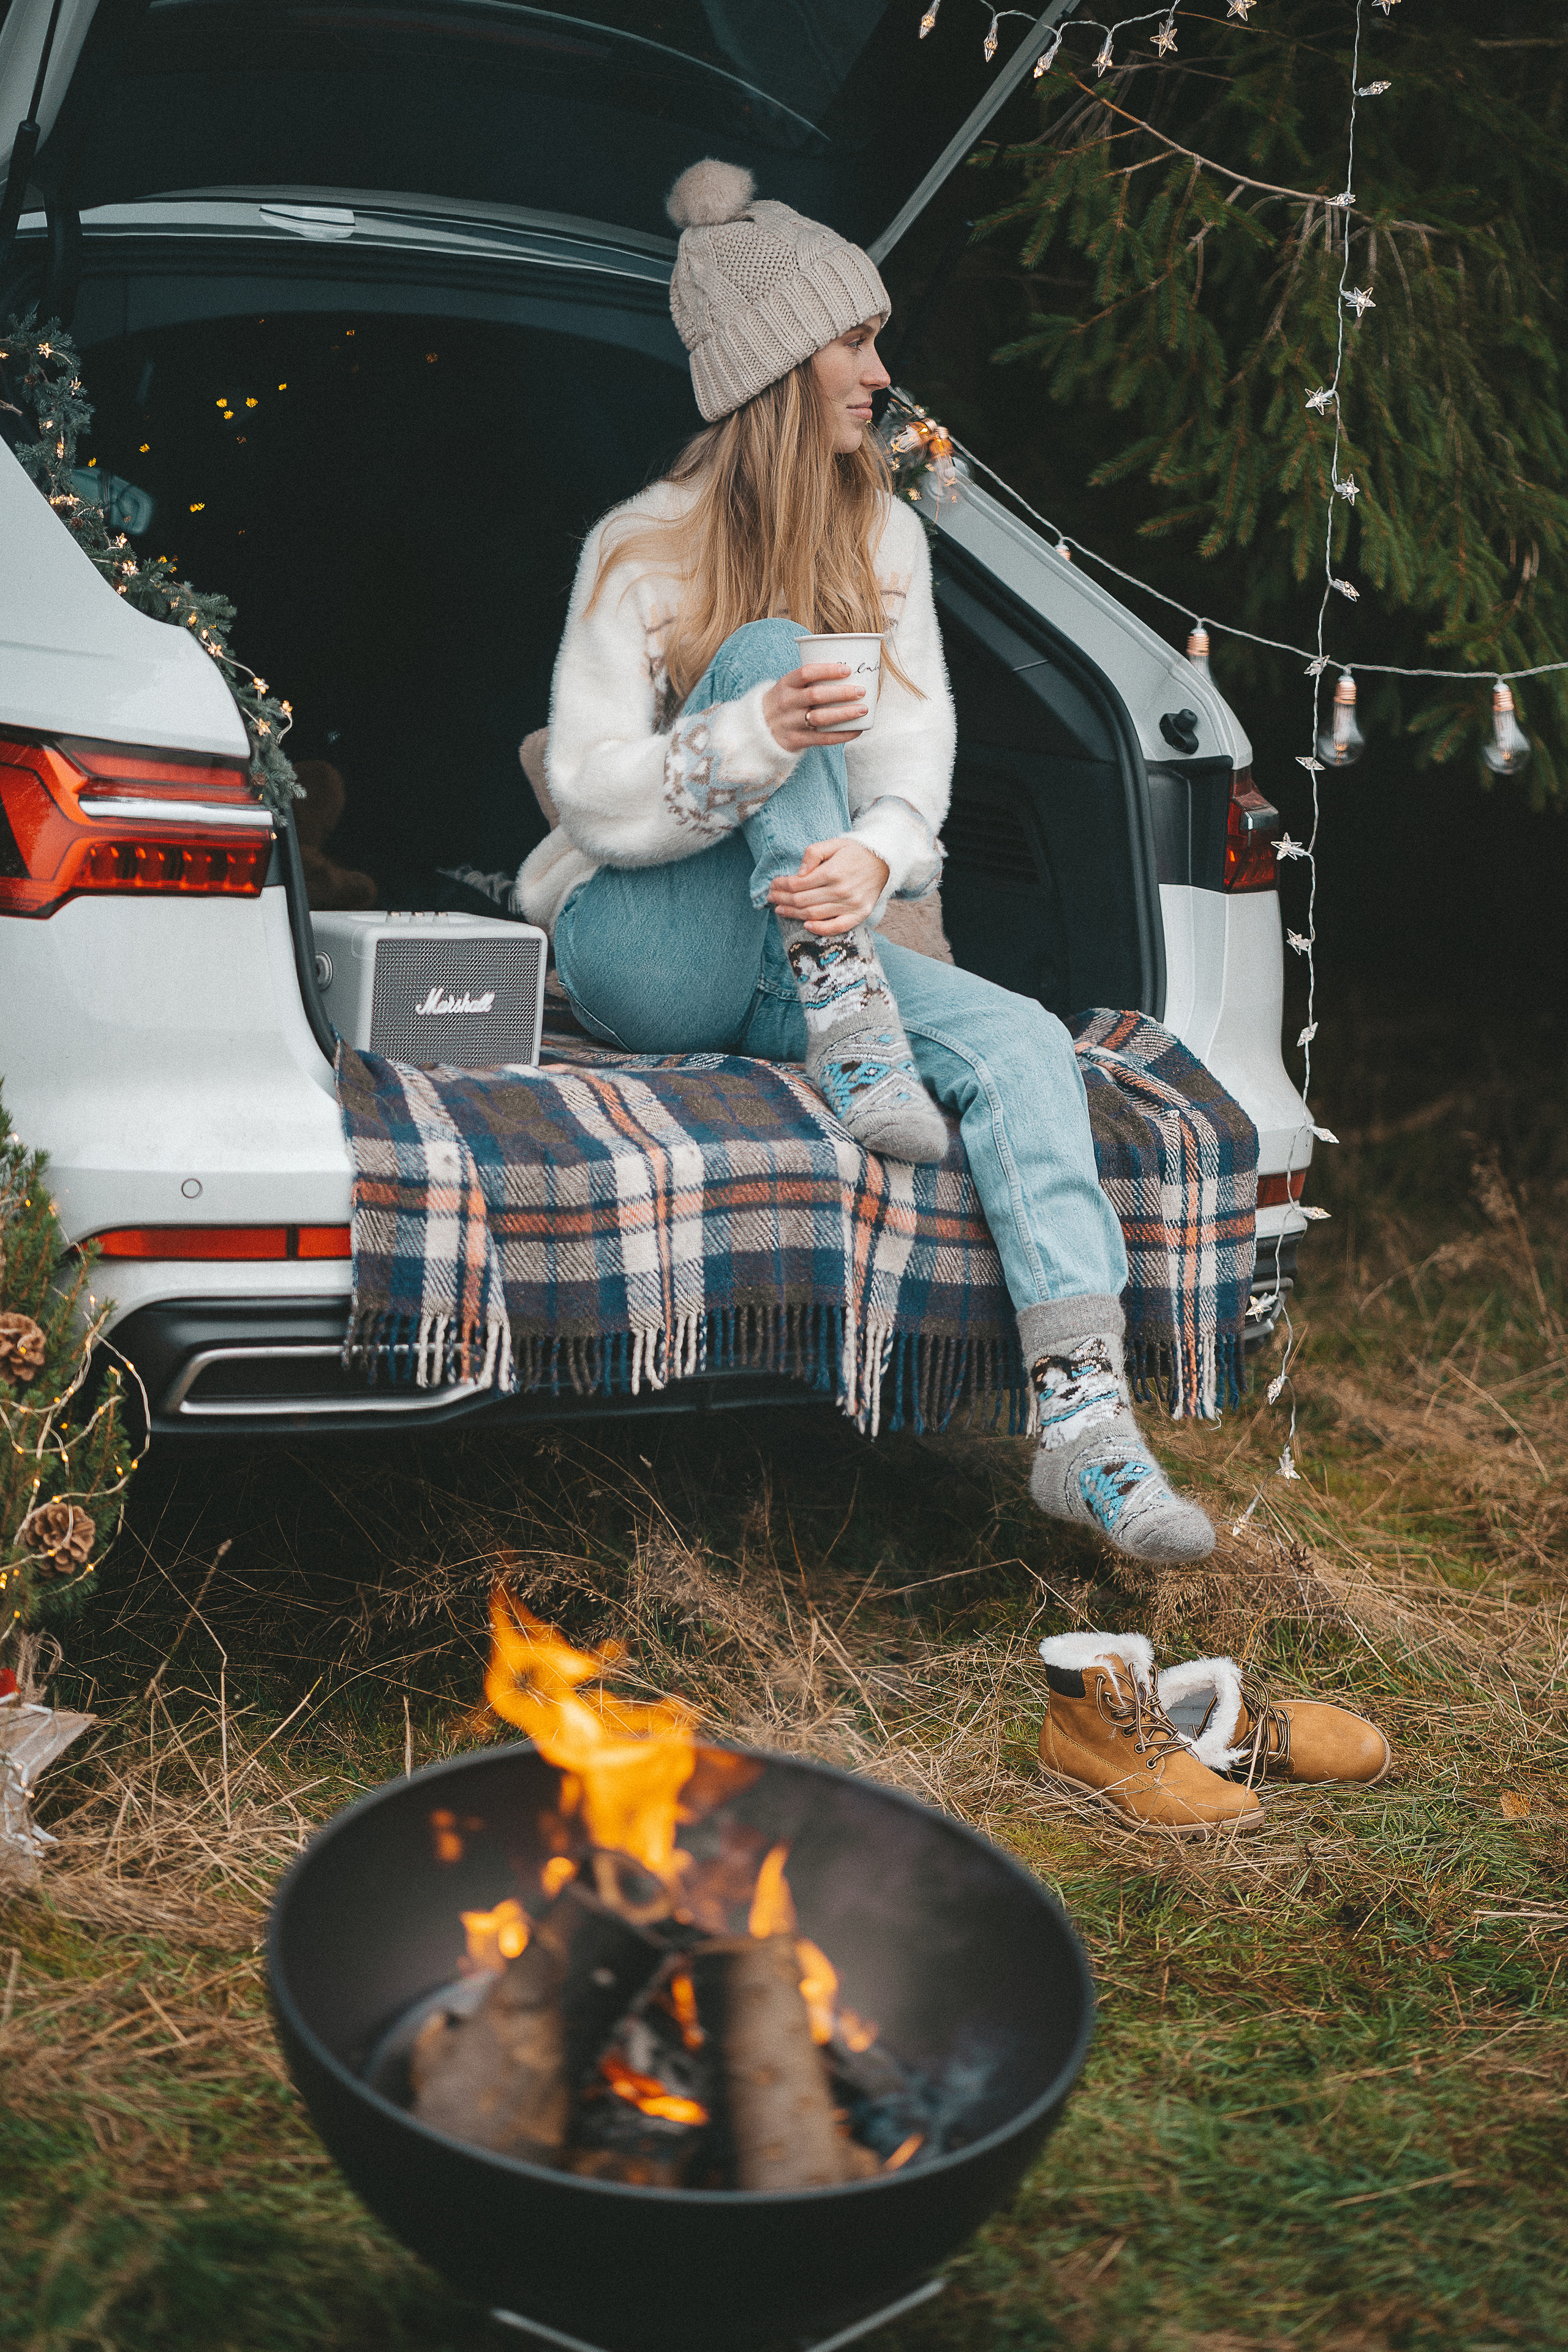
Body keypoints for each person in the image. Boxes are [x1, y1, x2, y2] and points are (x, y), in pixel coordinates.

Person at [516, 159, 1214, 1565]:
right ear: (775, 365)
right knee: (773, 655)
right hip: (648, 947)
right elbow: (588, 794)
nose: (882, 374)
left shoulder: (883, 533)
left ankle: (1084, 1430)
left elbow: (913, 763)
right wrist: (750, 733)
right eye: (853, 340)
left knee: (1021, 1040)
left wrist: (871, 862)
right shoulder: (635, 549)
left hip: (800, 955)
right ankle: (846, 1002)